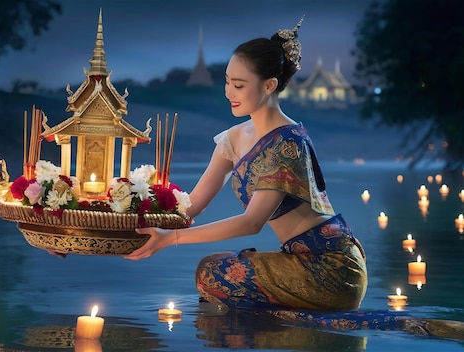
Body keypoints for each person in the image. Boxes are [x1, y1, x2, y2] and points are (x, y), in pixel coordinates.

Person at [124, 18, 368, 312]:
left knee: (211, 273)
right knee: (212, 270)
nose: (229, 92)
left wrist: (172, 238)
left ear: (269, 85)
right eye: (227, 81)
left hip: (331, 267)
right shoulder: (234, 138)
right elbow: (191, 205)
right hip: (296, 260)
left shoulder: (287, 143)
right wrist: (121, 223)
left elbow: (252, 223)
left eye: (238, 85)